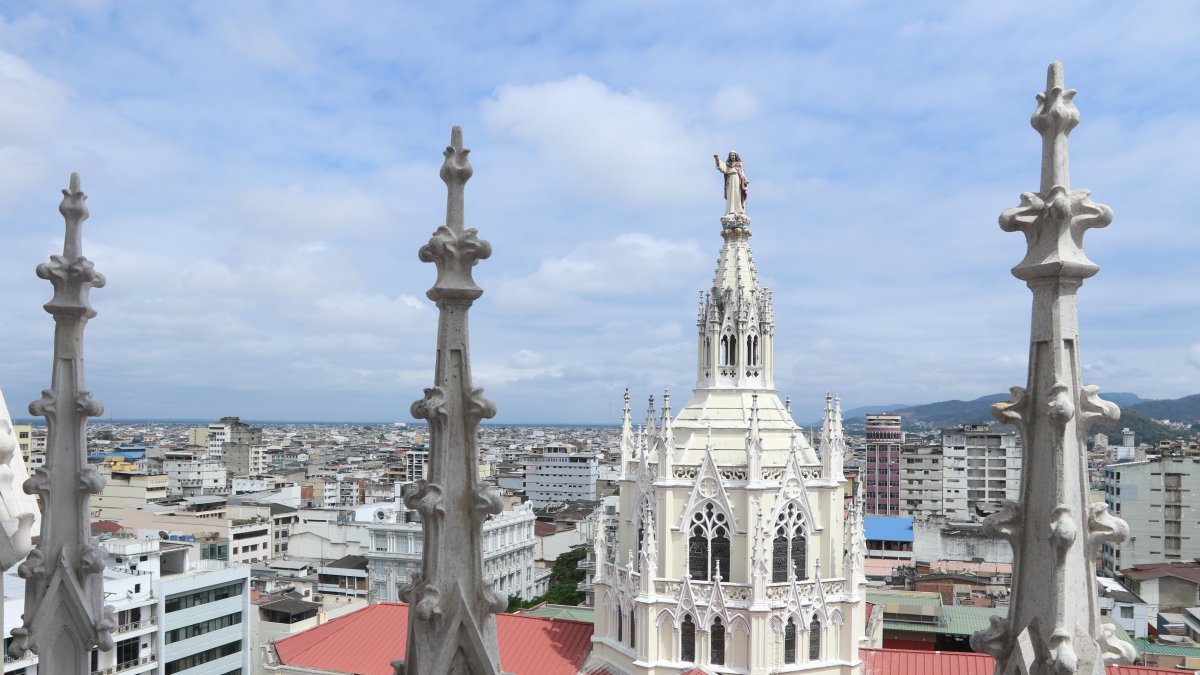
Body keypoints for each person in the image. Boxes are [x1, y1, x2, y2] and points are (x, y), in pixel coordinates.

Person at [714, 151, 749, 217]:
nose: (732, 157)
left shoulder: (739, 164)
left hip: (737, 179)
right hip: (730, 180)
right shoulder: (728, 164)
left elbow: (742, 173)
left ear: (736, 156)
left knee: (737, 193)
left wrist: (745, 180)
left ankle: (739, 209)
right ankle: (731, 209)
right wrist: (717, 159)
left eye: (733, 155)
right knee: (731, 194)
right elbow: (722, 167)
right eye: (731, 155)